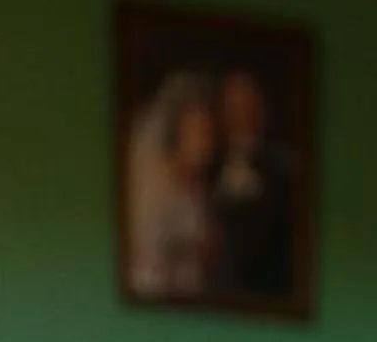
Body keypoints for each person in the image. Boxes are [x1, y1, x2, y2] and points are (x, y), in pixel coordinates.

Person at [124, 72, 220, 300]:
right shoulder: (154, 182)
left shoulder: (204, 187)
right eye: (196, 133)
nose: (204, 144)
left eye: (208, 134)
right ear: (179, 132)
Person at [211, 67, 293, 300]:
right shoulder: (207, 168)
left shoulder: (284, 173)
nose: (243, 118)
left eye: (250, 108)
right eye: (234, 109)